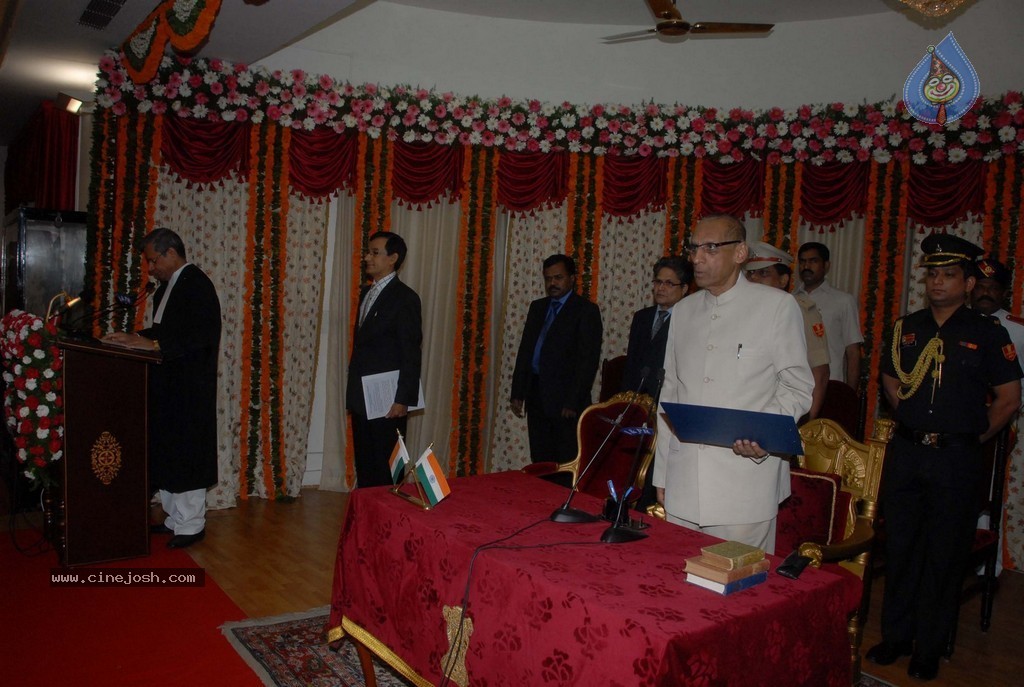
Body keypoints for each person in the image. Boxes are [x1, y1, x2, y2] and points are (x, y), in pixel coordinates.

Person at [868, 234, 1021, 682]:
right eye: (932, 274)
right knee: (901, 548)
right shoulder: (906, 327)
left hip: (956, 460)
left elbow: (1008, 399)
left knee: (944, 554)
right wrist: (915, 418)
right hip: (910, 452)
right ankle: (896, 635)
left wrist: (970, 437)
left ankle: (929, 647)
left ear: (969, 282)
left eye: (949, 274)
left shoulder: (986, 334)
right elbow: (889, 378)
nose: (938, 282)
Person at [653, 215, 814, 551]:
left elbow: (797, 386)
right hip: (684, 481)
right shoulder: (683, 312)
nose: (697, 258)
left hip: (745, 482)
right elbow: (670, 394)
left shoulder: (776, 307)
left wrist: (764, 432)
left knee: (738, 595)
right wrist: (662, 473)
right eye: (694, 248)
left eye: (710, 248)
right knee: (678, 589)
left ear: (740, 252)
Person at [103, 228, 221, 549]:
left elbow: (198, 339)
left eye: (153, 260)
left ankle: (192, 525)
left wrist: (151, 342)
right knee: (169, 454)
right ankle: (173, 519)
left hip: (189, 388)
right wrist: (131, 337)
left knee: (187, 456)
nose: (150, 268)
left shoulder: (196, 285)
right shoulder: (167, 287)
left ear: (171, 253)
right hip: (168, 387)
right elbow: (160, 332)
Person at [346, 231, 422, 488]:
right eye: (368, 252)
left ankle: (393, 516)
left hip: (389, 400)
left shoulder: (405, 298)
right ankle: (369, 517)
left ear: (393, 258)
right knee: (366, 463)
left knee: (389, 466)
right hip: (363, 396)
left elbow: (411, 352)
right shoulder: (367, 293)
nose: (367, 257)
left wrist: (403, 399)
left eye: (375, 253)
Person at [511, 254, 603, 463]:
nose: (552, 283)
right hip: (536, 394)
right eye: (548, 278)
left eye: (558, 277)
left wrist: (573, 401)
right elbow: (526, 350)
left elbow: (588, 361)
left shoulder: (585, 311)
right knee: (540, 459)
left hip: (565, 401)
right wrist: (518, 391)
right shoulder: (537, 307)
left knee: (564, 460)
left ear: (572, 278)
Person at [745, 241, 830, 420]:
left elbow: (820, 372)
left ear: (783, 280)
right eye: (750, 273)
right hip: (750, 409)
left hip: (786, 411)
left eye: (763, 273)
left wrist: (807, 424)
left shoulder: (800, 310)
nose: (754, 279)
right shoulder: (742, 312)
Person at [621, 255, 691, 399]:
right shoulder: (641, 317)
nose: (661, 288)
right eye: (658, 282)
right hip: (635, 399)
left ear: (684, 288)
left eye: (669, 283)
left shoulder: (688, 321)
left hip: (667, 399)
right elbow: (631, 363)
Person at [795, 242, 864, 387]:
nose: (806, 267)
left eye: (813, 261)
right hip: (795, 386)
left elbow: (853, 353)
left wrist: (849, 395)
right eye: (802, 262)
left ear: (826, 265)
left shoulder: (843, 301)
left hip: (830, 385)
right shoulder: (789, 299)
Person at [971, 256, 1024, 403]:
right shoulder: (956, 324)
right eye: (980, 287)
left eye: (993, 288)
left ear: (1004, 293)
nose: (985, 293)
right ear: (970, 288)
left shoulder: (1020, 329)